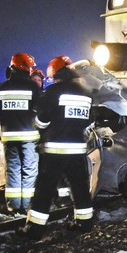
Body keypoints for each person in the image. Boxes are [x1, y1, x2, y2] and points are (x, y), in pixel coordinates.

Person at [20, 55, 95, 239]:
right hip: (78, 149)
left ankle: (34, 229)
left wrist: (40, 125)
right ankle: (84, 223)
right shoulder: (85, 92)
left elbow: (41, 120)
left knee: (44, 189)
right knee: (80, 187)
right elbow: (90, 120)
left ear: (55, 74)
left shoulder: (53, 91)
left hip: (55, 150)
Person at [0, 53, 42, 215]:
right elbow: (42, 111)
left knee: (13, 170)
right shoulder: (33, 88)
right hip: (30, 137)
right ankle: (27, 205)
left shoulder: (2, 87)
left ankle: (13, 205)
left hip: (9, 137)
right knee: (30, 170)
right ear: (25, 68)